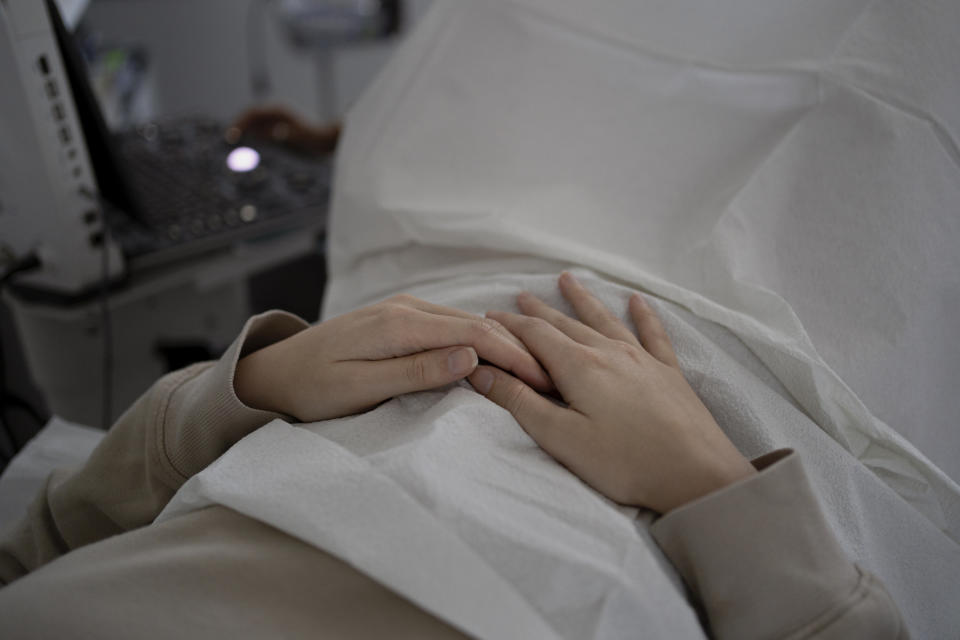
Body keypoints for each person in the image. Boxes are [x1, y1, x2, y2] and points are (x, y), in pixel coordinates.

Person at [0, 268, 905, 638]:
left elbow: (45, 534)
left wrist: (259, 381)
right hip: (708, 430)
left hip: (446, 314)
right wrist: (711, 485)